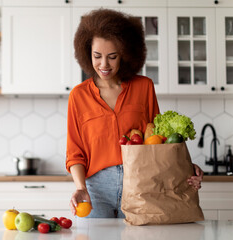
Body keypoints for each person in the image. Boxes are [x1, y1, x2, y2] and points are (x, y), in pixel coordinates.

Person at [66, 9, 203, 218]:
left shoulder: (144, 87)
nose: (104, 65)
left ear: (125, 55)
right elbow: (75, 152)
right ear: (87, 53)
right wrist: (80, 187)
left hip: (140, 184)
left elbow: (158, 141)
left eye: (112, 57)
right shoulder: (78, 95)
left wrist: (183, 166)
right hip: (95, 191)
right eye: (97, 56)